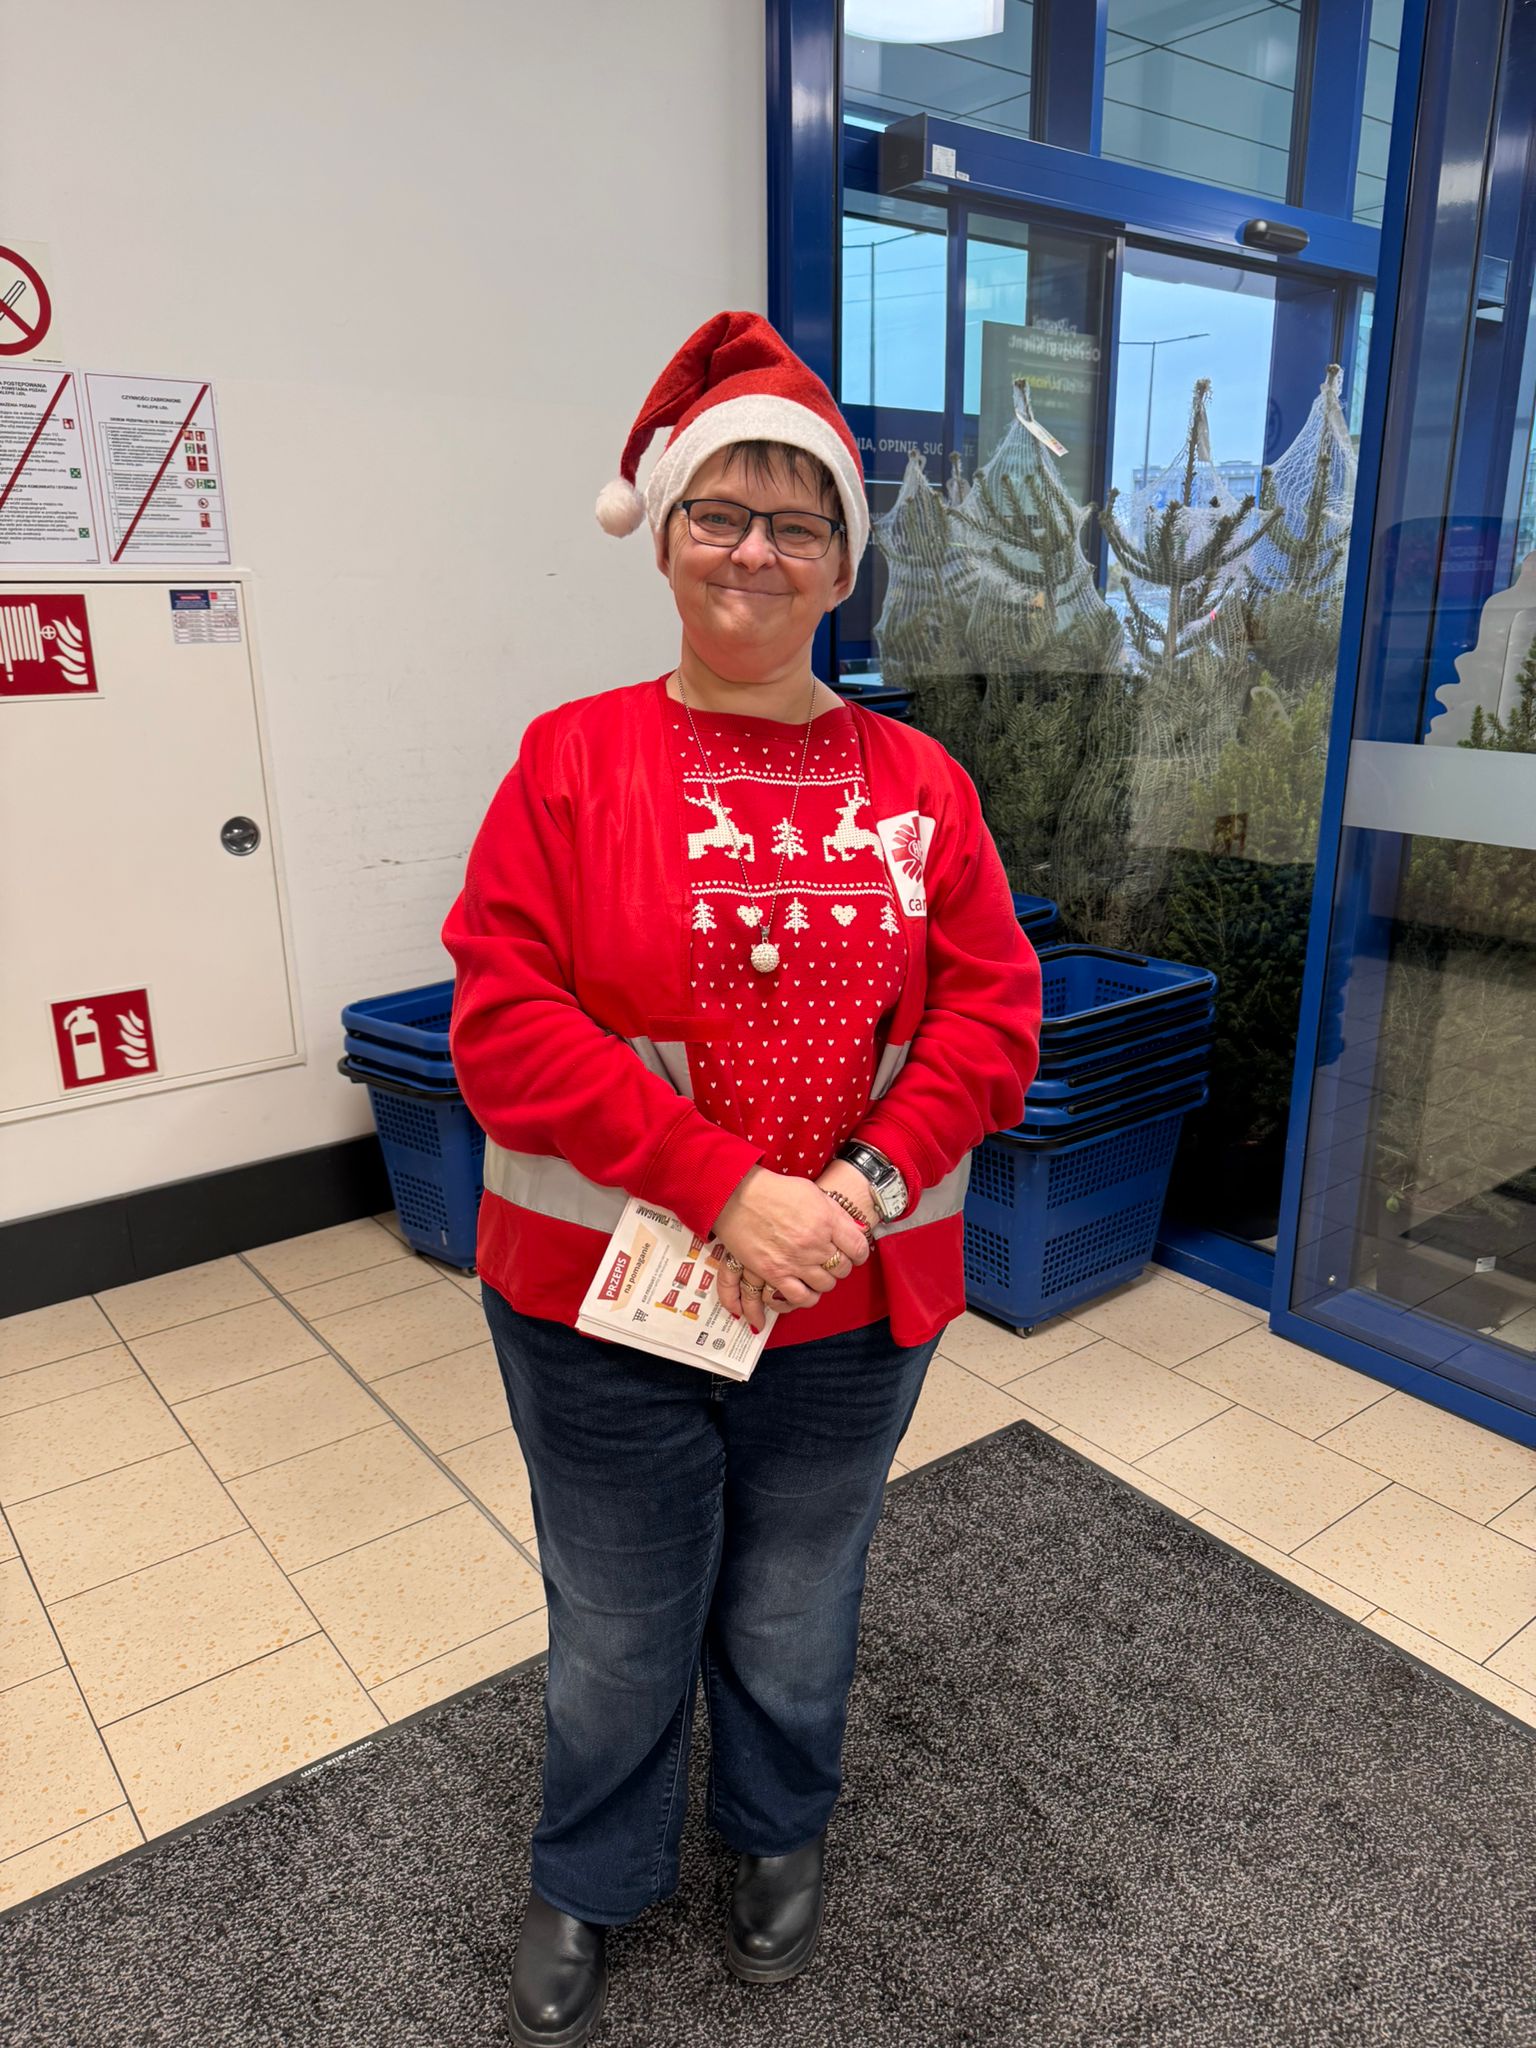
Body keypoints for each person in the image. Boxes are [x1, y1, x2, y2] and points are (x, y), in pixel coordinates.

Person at [441, 309, 1041, 2047]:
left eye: (796, 522)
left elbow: (994, 1016)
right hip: (601, 1304)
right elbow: (503, 1024)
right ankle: (591, 1870)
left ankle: (779, 1826)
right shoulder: (573, 760)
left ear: (844, 565)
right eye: (720, 513)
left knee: (794, 1600)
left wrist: (861, 1183)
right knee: (621, 1616)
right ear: (666, 538)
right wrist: (721, 1184)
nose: (754, 551)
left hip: (851, 1305)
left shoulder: (919, 785)